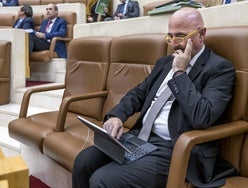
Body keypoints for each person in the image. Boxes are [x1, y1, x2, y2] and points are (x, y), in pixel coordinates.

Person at [72, 7, 236, 188]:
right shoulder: (165, 62)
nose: (174, 43)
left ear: (202, 34)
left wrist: (180, 73)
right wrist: (116, 116)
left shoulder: (219, 68)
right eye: (170, 36)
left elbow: (202, 116)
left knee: (102, 179)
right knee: (83, 161)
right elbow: (138, 93)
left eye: (180, 36)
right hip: (141, 138)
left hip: (175, 148)